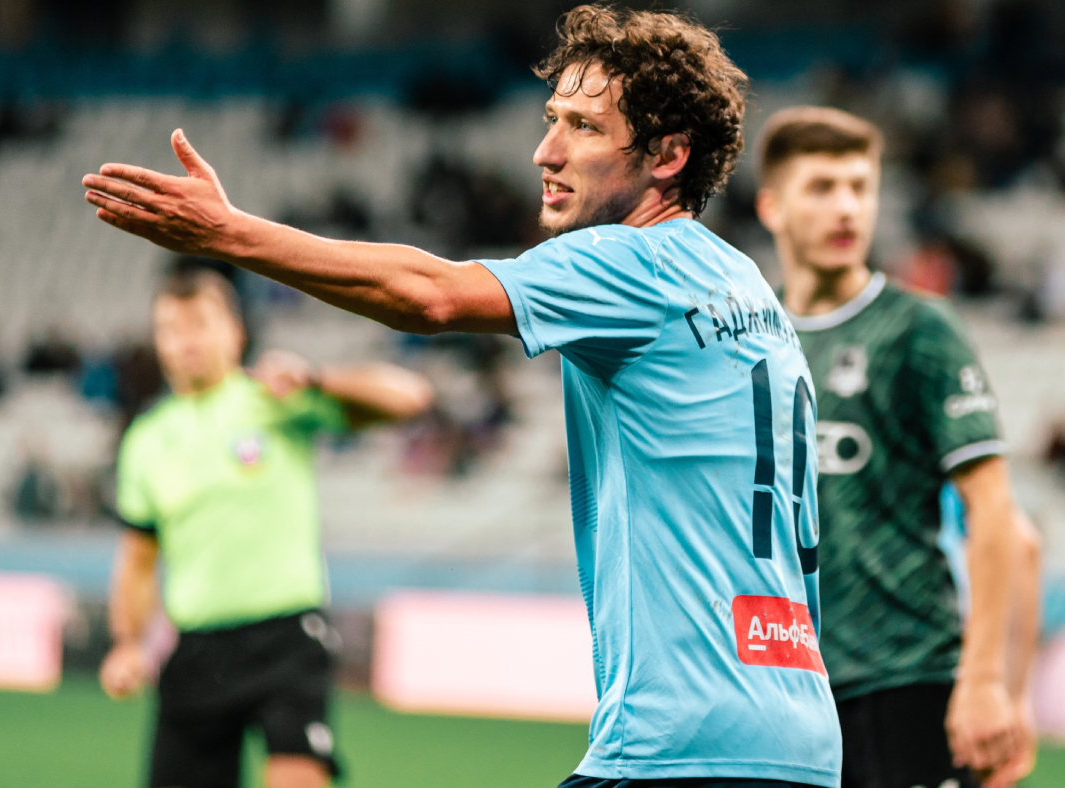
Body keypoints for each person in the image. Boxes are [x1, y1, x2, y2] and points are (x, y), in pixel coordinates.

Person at [83, 6, 842, 787]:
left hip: (684, 741)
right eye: (551, 120)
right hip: (798, 734)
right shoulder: (749, 291)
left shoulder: (633, 263)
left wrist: (228, 235)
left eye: (584, 127)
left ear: (669, 155)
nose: (546, 151)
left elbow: (430, 295)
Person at [753, 106, 1042, 788]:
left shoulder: (918, 330)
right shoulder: (748, 337)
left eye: (861, 187)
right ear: (771, 207)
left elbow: (1000, 518)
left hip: (907, 678)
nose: (847, 207)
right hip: (781, 686)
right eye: (822, 187)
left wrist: (990, 684)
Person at [99, 267, 434, 788]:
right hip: (196, 649)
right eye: (171, 329)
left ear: (235, 332)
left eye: (200, 324)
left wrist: (317, 378)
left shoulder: (274, 398)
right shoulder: (146, 440)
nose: (186, 341)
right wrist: (126, 642)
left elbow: (410, 396)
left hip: (286, 640)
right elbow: (138, 558)